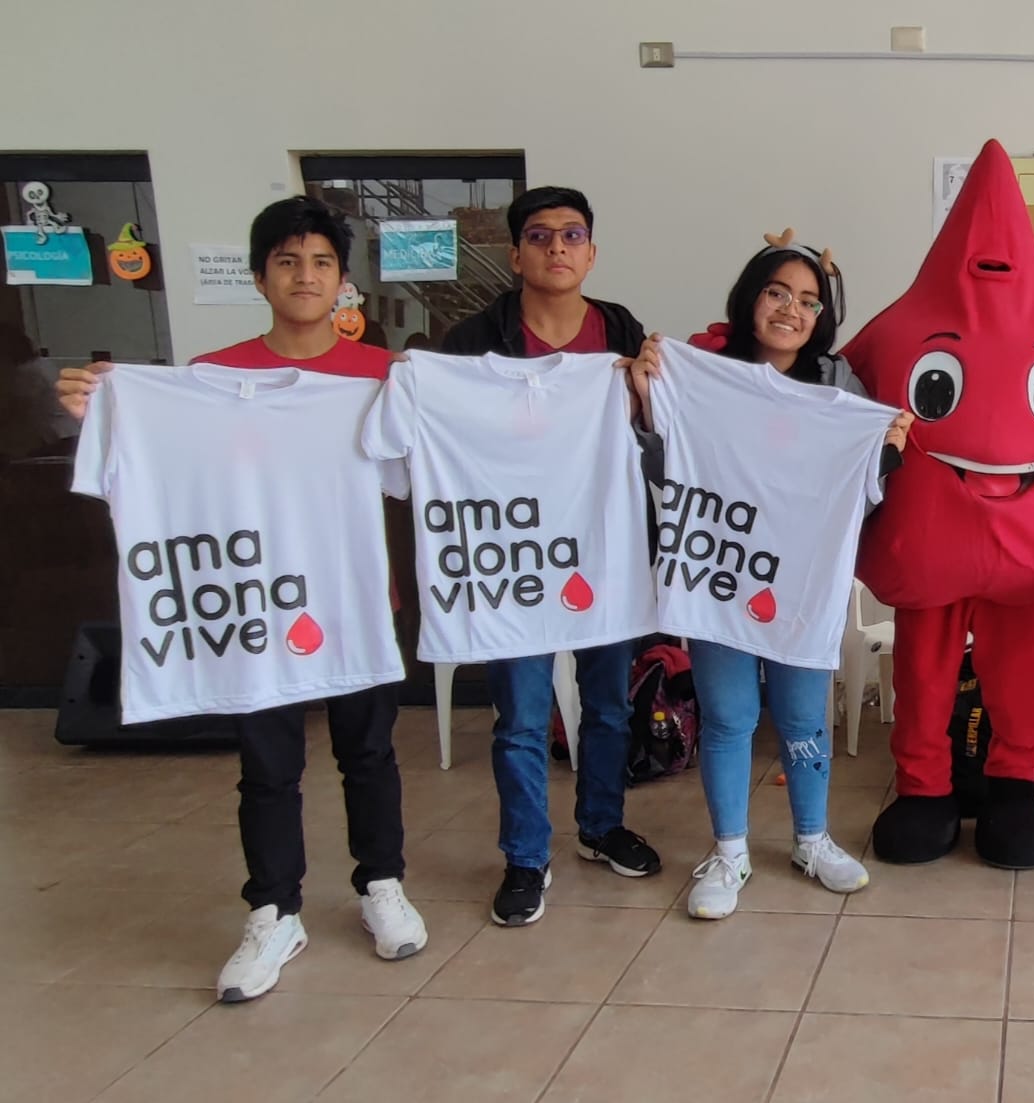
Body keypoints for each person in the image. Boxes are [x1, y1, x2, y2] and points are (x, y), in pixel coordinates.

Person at [54, 196, 427, 1002]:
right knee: (267, 764)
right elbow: (155, 462)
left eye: (322, 262)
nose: (305, 275)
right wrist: (99, 408)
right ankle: (272, 908)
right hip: (253, 603)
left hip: (354, 598)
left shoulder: (381, 376)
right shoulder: (208, 379)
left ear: (343, 281)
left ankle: (381, 885)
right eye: (288, 261)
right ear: (260, 276)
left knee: (368, 752)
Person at [629, 233, 912, 919]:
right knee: (729, 717)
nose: (792, 308)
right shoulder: (701, 373)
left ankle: (810, 838)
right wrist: (646, 399)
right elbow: (664, 467)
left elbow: (857, 485)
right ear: (751, 297)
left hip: (802, 582)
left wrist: (889, 449)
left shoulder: (835, 386)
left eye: (809, 300)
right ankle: (730, 851)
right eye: (778, 291)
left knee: (801, 717)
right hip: (722, 569)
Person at [438, 185, 661, 928]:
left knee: (607, 704)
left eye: (572, 236)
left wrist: (646, 387)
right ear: (515, 253)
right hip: (515, 556)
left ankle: (600, 826)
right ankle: (526, 856)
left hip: (604, 546)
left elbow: (658, 433)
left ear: (592, 253)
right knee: (522, 716)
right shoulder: (472, 343)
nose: (557, 248)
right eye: (540, 236)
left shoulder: (623, 331)